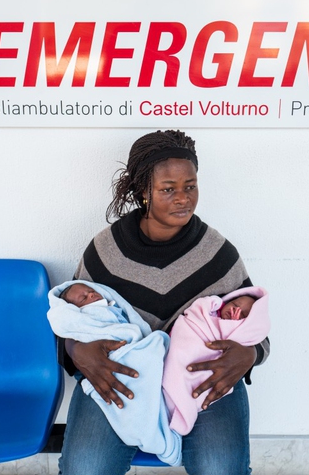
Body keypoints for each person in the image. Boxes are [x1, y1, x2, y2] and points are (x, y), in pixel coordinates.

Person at [57, 129, 270, 475]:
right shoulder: (106, 251)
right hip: (123, 377)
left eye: (190, 186)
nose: (183, 198)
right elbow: (72, 321)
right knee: (85, 469)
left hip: (198, 381)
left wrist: (251, 354)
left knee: (221, 469)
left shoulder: (217, 253)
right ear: (143, 192)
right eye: (168, 189)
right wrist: (76, 351)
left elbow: (256, 327)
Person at [47, 280, 182, 466]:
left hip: (177, 355)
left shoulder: (113, 307)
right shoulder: (87, 315)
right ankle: (154, 435)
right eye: (83, 298)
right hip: (108, 361)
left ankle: (159, 427)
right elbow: (68, 328)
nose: (91, 296)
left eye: (91, 291)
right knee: (86, 466)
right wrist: (76, 350)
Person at [162, 287, 270, 436]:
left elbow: (260, 337)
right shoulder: (207, 312)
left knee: (216, 459)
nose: (235, 311)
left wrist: (250, 353)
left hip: (215, 373)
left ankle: (178, 404)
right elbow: (194, 318)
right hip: (158, 351)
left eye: (243, 314)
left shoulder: (222, 264)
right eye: (234, 304)